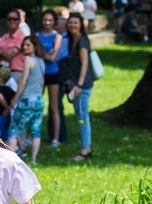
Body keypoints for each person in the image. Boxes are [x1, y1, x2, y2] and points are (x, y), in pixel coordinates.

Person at [6, 35, 45, 166]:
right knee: (36, 131)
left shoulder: (28, 61)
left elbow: (22, 82)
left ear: (35, 46)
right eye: (24, 45)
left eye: (28, 45)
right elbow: (42, 82)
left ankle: (11, 161)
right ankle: (34, 160)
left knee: (14, 129)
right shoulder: (41, 61)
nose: (24, 47)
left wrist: (15, 99)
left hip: (27, 100)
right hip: (39, 100)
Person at [66, 12, 94, 161]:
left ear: (81, 25)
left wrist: (79, 85)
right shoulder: (72, 40)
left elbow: (85, 64)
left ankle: (84, 151)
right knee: (80, 117)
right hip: (76, 85)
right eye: (70, 22)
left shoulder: (82, 41)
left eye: (76, 23)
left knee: (83, 118)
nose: (73, 25)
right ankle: (87, 148)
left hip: (82, 87)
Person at [38, 9, 62, 148]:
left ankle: (55, 138)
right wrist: (46, 53)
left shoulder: (57, 36)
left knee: (53, 107)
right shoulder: (37, 36)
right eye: (45, 20)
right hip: (39, 74)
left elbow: (53, 58)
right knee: (37, 105)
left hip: (53, 73)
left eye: (50, 20)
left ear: (54, 22)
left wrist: (41, 53)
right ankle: (33, 136)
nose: (47, 22)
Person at [0, 9, 26, 83]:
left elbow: (9, 54)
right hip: (2, 70)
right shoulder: (4, 37)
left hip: (15, 72)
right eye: (9, 19)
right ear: (6, 21)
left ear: (19, 20)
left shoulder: (22, 37)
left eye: (15, 19)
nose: (12, 21)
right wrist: (3, 52)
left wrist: (0, 53)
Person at [0, 66, 15, 147]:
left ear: (1, 78)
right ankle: (8, 152)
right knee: (5, 136)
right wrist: (10, 107)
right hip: (7, 116)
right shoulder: (9, 89)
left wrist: (7, 108)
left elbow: (0, 98)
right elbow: (14, 98)